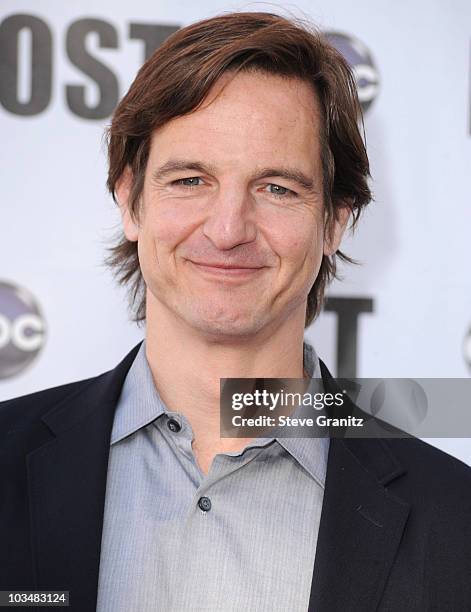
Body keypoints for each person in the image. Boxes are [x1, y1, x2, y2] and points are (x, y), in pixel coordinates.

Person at [1, 12, 470, 612]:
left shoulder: (455, 521)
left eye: (277, 188)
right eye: (191, 180)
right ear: (129, 201)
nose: (227, 231)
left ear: (334, 222)